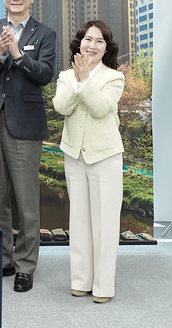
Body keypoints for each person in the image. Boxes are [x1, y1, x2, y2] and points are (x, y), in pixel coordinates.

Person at [0, 0, 56, 293]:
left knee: (26, 201)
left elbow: (45, 74)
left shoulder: (45, 34)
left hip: (26, 124)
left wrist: (18, 55)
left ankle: (26, 265)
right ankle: (4, 259)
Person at [52, 20, 125, 304]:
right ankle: (80, 281)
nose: (92, 45)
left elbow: (100, 108)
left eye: (99, 41)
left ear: (107, 48)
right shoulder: (65, 76)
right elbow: (61, 106)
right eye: (87, 39)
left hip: (105, 155)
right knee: (79, 220)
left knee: (105, 223)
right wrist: (77, 79)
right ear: (79, 43)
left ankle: (103, 286)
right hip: (74, 155)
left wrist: (84, 81)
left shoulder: (113, 77)